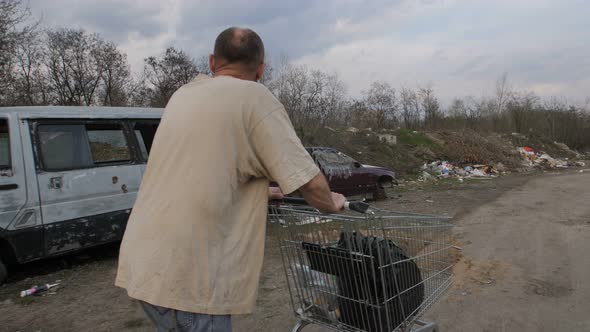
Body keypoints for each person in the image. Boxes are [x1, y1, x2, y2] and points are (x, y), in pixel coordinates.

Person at [115, 27, 346, 332]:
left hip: (145, 265)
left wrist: (267, 192)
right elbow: (310, 183)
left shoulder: (182, 96)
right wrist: (332, 202)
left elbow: (203, 174)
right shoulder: (254, 98)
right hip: (193, 278)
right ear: (261, 69)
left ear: (212, 62)